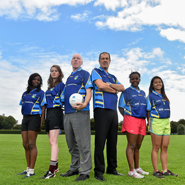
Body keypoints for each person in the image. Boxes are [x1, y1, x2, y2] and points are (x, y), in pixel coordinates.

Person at [91, 52, 125, 181]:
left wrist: (109, 86)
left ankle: (112, 168)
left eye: (107, 59)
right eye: (102, 59)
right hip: (101, 110)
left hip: (113, 111)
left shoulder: (113, 76)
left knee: (112, 141)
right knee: (100, 141)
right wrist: (113, 88)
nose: (105, 61)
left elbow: (122, 88)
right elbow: (100, 85)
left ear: (110, 61)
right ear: (99, 61)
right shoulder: (96, 71)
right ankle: (98, 171)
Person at [60, 54, 92, 182]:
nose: (76, 60)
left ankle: (85, 171)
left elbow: (89, 91)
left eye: (78, 58)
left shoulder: (84, 74)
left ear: (82, 62)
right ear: (70, 62)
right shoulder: (68, 78)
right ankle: (74, 168)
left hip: (81, 112)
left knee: (83, 143)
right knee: (71, 144)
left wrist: (84, 104)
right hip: (67, 113)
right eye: (74, 58)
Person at [118, 71, 149, 178]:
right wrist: (127, 117)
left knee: (138, 146)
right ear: (130, 80)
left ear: (140, 79)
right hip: (131, 119)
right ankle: (131, 171)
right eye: (132, 79)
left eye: (136, 78)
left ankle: (137, 168)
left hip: (142, 121)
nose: (134, 80)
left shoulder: (143, 93)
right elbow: (121, 107)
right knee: (131, 145)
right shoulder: (126, 92)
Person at [146, 76, 178, 179]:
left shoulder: (164, 96)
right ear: (152, 85)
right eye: (156, 82)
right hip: (156, 121)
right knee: (156, 147)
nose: (158, 84)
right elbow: (148, 110)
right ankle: (156, 171)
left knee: (165, 147)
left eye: (160, 82)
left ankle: (165, 170)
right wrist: (149, 122)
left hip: (166, 122)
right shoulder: (150, 96)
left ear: (162, 84)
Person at [18, 73, 46, 177]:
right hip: (25, 118)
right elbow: (23, 105)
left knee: (31, 144)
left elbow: (43, 109)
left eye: (38, 80)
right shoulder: (25, 93)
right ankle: (27, 168)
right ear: (30, 80)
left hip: (35, 118)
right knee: (25, 144)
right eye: (34, 79)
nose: (36, 81)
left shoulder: (41, 93)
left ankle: (32, 171)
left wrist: (41, 123)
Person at [41, 65, 65, 179]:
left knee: (53, 141)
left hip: (56, 112)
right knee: (51, 141)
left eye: (56, 71)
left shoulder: (61, 85)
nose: (53, 72)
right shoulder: (49, 88)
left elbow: (65, 99)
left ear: (59, 73)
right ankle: (55, 166)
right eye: (52, 71)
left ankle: (51, 171)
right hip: (48, 113)